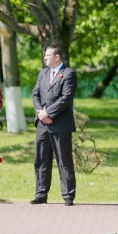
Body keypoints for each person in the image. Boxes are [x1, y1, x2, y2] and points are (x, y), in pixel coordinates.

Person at [31, 44, 77, 206]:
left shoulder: (68, 74)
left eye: (47, 55)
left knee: (64, 161)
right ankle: (41, 194)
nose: (45, 58)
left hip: (61, 125)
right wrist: (41, 114)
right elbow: (35, 94)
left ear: (57, 57)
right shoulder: (43, 73)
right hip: (43, 125)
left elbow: (66, 98)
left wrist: (48, 113)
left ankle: (68, 196)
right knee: (41, 159)